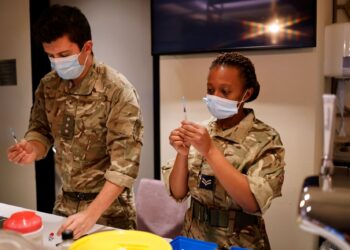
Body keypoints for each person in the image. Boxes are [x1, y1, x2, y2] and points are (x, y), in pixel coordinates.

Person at [7, 5, 143, 239]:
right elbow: (40, 131)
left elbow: (124, 167)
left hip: (110, 212)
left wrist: (91, 215)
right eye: (50, 56)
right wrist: (32, 148)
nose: (57, 63)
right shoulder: (48, 86)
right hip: (65, 206)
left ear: (86, 47)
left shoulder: (117, 91)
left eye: (63, 55)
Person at [162, 52, 285, 249]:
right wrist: (182, 154)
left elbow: (252, 202)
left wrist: (210, 151)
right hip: (193, 239)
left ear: (247, 93)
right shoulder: (202, 131)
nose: (215, 97)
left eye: (225, 91)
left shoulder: (266, 139)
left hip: (238, 242)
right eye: (210, 90)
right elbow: (178, 193)